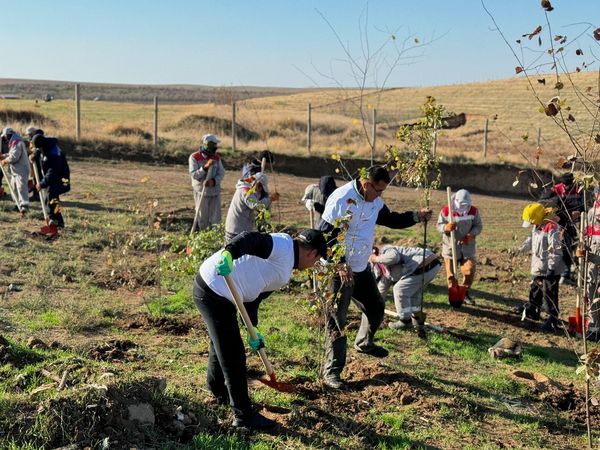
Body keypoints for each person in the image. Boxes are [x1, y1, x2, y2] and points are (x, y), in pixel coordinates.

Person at [194, 229, 327, 430]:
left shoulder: (284, 268)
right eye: (317, 261)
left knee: (221, 342)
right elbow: (251, 238)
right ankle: (243, 415)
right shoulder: (283, 246)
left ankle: (216, 389)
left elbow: (254, 298)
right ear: (313, 253)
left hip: (224, 293)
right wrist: (230, 253)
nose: (313, 266)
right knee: (233, 354)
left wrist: (252, 330)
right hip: (214, 288)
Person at [319, 166, 432, 389]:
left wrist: (415, 216)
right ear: (365, 183)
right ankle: (331, 372)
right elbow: (324, 235)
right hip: (339, 270)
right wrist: (340, 263)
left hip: (361, 268)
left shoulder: (375, 202)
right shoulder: (342, 199)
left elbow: (390, 219)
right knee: (337, 320)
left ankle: (364, 343)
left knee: (375, 306)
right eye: (377, 190)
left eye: (382, 191)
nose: (379, 195)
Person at [516, 203, 563, 332]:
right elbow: (531, 239)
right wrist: (521, 249)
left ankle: (553, 320)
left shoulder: (552, 227)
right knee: (535, 289)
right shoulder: (537, 225)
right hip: (538, 265)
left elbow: (556, 249)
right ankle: (533, 310)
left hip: (550, 268)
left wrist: (551, 268)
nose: (531, 225)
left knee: (550, 294)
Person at [370, 244, 441, 330]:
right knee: (413, 293)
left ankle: (405, 322)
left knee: (399, 289)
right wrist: (374, 310)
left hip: (424, 261)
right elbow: (380, 293)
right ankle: (418, 319)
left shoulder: (385, 250)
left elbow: (393, 257)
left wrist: (375, 258)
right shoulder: (384, 273)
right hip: (429, 266)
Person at [436, 189, 483, 305]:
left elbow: (478, 226)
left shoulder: (473, 211)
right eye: (461, 204)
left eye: (466, 204)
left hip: (467, 248)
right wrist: (446, 228)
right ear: (456, 200)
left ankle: (464, 292)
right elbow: (439, 225)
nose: (464, 207)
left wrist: (471, 234)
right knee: (451, 275)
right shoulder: (447, 210)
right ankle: (453, 296)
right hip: (451, 247)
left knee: (469, 270)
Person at [539, 172, 584, 285]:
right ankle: (558, 273)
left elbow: (583, 206)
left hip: (571, 224)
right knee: (560, 249)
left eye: (569, 185)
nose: (567, 187)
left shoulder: (579, 190)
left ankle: (566, 274)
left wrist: (579, 212)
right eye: (565, 185)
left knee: (570, 248)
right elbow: (543, 203)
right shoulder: (554, 190)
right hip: (557, 224)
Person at [224, 172, 279, 244]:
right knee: (232, 252)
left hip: (239, 229)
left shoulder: (246, 189)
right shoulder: (245, 191)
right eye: (259, 187)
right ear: (256, 183)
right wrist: (270, 199)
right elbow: (257, 205)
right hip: (235, 230)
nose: (259, 190)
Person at [31, 134, 70, 228]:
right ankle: (59, 222)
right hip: (55, 178)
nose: (38, 149)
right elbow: (37, 151)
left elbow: (52, 172)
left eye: (39, 148)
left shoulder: (54, 153)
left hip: (62, 179)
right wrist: (34, 156)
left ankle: (53, 219)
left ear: (42, 145)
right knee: (52, 198)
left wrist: (42, 183)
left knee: (50, 196)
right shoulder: (45, 145)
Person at [189, 134, 225, 232]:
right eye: (214, 145)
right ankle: (202, 238)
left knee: (216, 220)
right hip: (201, 192)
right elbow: (194, 175)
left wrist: (213, 181)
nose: (216, 147)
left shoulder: (217, 158)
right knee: (202, 218)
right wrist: (205, 167)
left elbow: (221, 173)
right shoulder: (194, 157)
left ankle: (216, 241)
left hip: (214, 192)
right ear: (208, 145)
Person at [578, 187, 600, 341]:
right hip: (592, 262)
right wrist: (581, 248)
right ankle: (593, 328)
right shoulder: (590, 214)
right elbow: (585, 236)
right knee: (590, 293)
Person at [0, 127, 30, 215]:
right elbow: (11, 154)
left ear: (8, 135)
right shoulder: (13, 142)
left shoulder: (18, 142)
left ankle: (25, 206)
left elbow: (14, 157)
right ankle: (18, 205)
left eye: (5, 136)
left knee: (21, 188)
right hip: (15, 170)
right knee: (14, 188)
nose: (4, 138)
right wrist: (3, 156)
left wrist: (4, 160)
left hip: (21, 169)